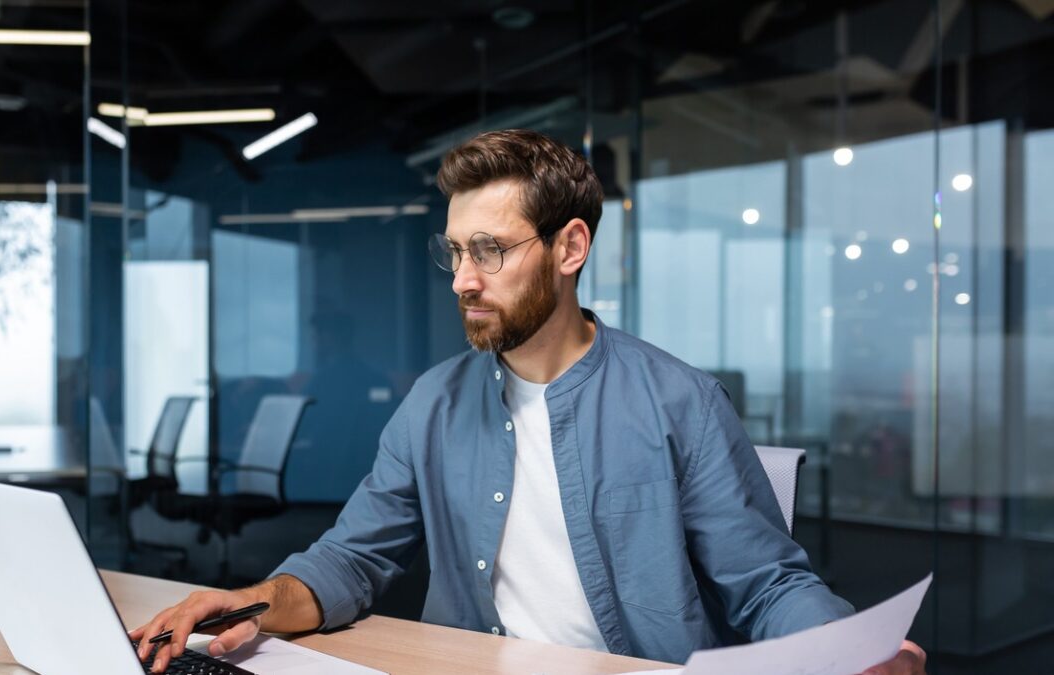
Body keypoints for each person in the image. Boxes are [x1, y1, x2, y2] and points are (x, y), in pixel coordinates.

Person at [130, 129, 926, 675]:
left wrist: (848, 647)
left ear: (570, 247)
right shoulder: (431, 405)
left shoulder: (680, 400)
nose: (463, 279)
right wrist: (257, 602)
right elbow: (352, 558)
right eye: (454, 252)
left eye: (490, 250)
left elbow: (766, 583)